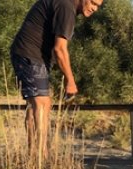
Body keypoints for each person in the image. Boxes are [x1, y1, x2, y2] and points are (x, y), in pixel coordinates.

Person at [10, 0, 103, 157]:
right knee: (42, 104)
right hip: (30, 54)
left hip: (31, 55)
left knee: (36, 105)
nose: (94, 8)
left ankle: (34, 157)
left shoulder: (66, 5)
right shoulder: (66, 6)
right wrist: (70, 81)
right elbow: (60, 49)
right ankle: (41, 157)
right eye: (92, 2)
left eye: (98, 6)